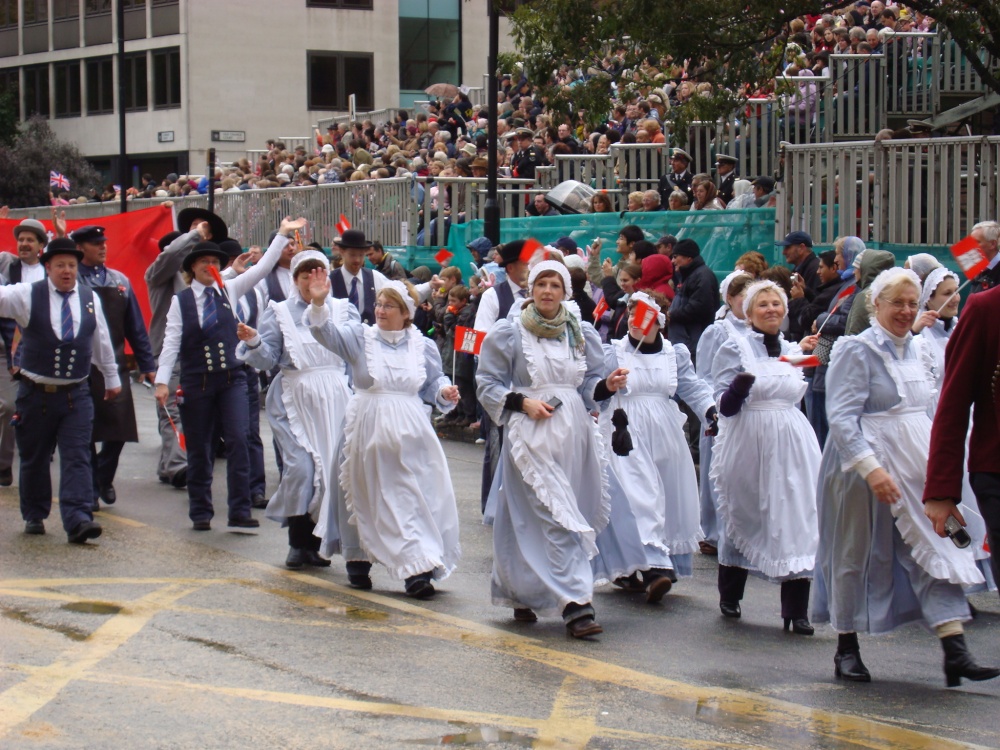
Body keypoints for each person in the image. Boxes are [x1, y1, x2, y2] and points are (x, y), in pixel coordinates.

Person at [814, 268, 995, 687]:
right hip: (863, 467)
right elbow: (841, 419)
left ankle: (956, 650)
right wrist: (870, 469)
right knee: (854, 552)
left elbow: (933, 411)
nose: (906, 311)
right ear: (875, 304)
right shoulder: (854, 350)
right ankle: (846, 647)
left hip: (916, 464)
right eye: (897, 302)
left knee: (938, 543)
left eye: (912, 303)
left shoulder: (920, 349)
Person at [477, 257, 627, 637]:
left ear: (565, 292)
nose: (547, 291)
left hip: (573, 432)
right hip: (531, 431)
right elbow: (487, 384)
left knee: (530, 517)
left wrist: (606, 386)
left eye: (555, 285)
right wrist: (521, 402)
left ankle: (522, 591)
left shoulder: (578, 332)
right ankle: (577, 603)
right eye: (541, 284)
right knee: (555, 515)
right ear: (531, 289)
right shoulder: (508, 333)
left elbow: (589, 386)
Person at [308, 275, 462, 598]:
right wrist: (319, 304)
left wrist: (445, 391)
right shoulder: (360, 338)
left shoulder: (423, 345)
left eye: (388, 305)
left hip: (410, 431)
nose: (380, 310)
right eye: (378, 303)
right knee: (363, 492)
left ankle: (416, 569)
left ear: (405, 313)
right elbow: (326, 334)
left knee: (411, 497)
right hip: (367, 425)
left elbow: (431, 384)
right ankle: (359, 558)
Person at [154, 217, 306, 532]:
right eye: (203, 262)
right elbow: (170, 344)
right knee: (200, 448)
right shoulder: (180, 302)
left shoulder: (230, 288)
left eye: (214, 262)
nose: (209, 266)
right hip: (197, 382)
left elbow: (262, 268)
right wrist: (161, 382)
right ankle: (200, 511)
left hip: (232, 379)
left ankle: (239, 509)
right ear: (192, 267)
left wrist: (281, 234)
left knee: (238, 438)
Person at [710, 280, 821, 633]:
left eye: (777, 304)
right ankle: (730, 593)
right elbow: (723, 407)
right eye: (763, 305)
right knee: (746, 511)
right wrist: (740, 386)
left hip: (792, 441)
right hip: (749, 440)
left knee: (797, 516)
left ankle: (796, 610)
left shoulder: (793, 349)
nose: (771, 310)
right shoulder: (735, 346)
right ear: (749, 311)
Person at [236, 250, 358, 569]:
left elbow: (357, 352)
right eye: (306, 275)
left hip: (335, 399)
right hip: (295, 398)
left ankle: (316, 543)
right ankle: (297, 541)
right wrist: (253, 343)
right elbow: (267, 360)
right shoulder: (279, 312)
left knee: (332, 472)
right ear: (295, 280)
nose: (313, 280)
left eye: (319, 273)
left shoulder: (344, 310)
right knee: (301, 468)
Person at [594, 291, 717, 601]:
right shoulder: (615, 353)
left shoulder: (674, 355)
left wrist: (710, 411)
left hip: (665, 433)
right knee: (638, 496)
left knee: (668, 497)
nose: (638, 322)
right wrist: (608, 387)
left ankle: (640, 567)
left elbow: (693, 387)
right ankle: (653, 567)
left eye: (645, 315)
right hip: (626, 434)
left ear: (659, 320)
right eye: (632, 313)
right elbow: (594, 391)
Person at [0, 238, 121, 542]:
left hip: (76, 394)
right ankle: (35, 513)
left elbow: (101, 341)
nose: (67, 271)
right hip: (35, 393)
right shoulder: (28, 295)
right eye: (60, 266)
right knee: (35, 457)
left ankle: (79, 518)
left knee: (78, 455)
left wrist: (111, 378)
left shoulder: (89, 297)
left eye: (71, 265)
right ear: (48, 268)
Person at [914, 267, 995, 592]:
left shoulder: (963, 323)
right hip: (952, 428)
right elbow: (949, 398)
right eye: (945, 293)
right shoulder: (925, 337)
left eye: (954, 292)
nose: (954, 299)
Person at [71, 225, 156, 511]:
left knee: (118, 431)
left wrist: (147, 363)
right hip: (82, 366)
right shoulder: (73, 280)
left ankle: (103, 477)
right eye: (96, 243)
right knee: (85, 430)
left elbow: (135, 326)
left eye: (104, 242)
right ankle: (91, 486)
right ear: (81, 247)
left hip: (116, 364)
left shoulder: (119, 280)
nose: (103, 247)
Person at [145, 209, 227, 489]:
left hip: (201, 355)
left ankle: (170, 463)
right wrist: (192, 235)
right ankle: (179, 466)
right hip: (171, 351)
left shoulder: (210, 276)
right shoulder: (161, 275)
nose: (198, 235)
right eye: (193, 230)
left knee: (193, 413)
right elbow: (169, 258)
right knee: (173, 410)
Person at [695, 271, 753, 555]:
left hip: (751, 414)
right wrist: (712, 409)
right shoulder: (717, 331)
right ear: (730, 299)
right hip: (722, 409)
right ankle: (714, 531)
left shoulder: (759, 330)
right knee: (716, 470)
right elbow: (704, 375)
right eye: (744, 296)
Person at [0, 217, 50, 487]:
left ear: (41, 245)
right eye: (21, 239)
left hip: (42, 347)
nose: (24, 244)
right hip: (9, 346)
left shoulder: (49, 271)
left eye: (30, 240)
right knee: (8, 407)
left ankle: (39, 453)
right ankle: (4, 464)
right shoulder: (7, 267)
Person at [667, 239, 719, 364]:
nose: (672, 261)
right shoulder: (690, 275)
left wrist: (671, 315)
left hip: (694, 343)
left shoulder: (702, 276)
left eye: (675, 257)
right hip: (688, 343)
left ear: (688, 257)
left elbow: (699, 308)